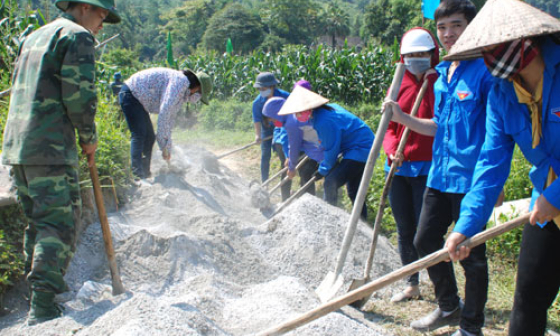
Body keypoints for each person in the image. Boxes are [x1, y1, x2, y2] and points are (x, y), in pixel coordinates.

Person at [441, 1, 560, 335]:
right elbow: (490, 163)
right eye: (487, 49)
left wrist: (556, 195)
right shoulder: (502, 93)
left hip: (551, 199)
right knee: (528, 300)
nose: (492, 56)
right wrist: (467, 226)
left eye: (498, 46)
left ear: (526, 40)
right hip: (547, 208)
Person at [1, 0, 120, 325]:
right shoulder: (76, 36)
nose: (101, 23)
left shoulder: (36, 35)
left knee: (39, 223)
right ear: (84, 7)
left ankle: (41, 296)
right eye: (101, 15)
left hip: (18, 146)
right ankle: (42, 307)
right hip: (49, 147)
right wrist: (88, 136)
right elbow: (79, 95)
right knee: (59, 223)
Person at [384, 1, 492, 335]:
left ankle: (471, 326)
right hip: (440, 174)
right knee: (425, 240)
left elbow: (495, 134)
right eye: (442, 28)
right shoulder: (446, 73)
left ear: (471, 26)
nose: (448, 34)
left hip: (470, 177)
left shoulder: (486, 72)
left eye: (456, 26)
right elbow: (438, 127)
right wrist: (402, 119)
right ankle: (449, 306)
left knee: (471, 255)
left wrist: (493, 182)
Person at [383, 27, 438, 303]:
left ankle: (442, 287)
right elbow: (389, 126)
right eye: (411, 55)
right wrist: (392, 150)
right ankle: (411, 283)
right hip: (398, 167)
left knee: (424, 230)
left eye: (422, 54)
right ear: (403, 57)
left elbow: (438, 124)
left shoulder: (439, 82)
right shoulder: (398, 83)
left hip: (426, 167)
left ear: (432, 54)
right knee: (404, 228)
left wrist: (429, 81)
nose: (417, 58)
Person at [278, 86, 374, 219]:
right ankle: (362, 220)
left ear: (308, 108)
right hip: (359, 145)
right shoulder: (322, 113)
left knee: (330, 182)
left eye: (299, 112)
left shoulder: (324, 121)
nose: (297, 115)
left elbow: (331, 150)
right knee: (354, 190)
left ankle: (330, 219)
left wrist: (322, 171)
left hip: (360, 147)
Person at [118, 68, 212, 179]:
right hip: (131, 94)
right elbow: (163, 115)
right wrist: (164, 147)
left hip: (138, 100)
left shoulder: (181, 92)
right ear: (196, 86)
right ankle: (137, 175)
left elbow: (169, 121)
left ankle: (145, 173)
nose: (197, 97)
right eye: (199, 93)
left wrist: (167, 147)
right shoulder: (180, 83)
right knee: (139, 134)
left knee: (149, 137)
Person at [262, 92, 324, 196]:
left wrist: (291, 164)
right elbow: (288, 140)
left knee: (306, 172)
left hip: (317, 144)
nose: (273, 122)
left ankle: (308, 200)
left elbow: (292, 142)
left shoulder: (292, 118)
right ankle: (290, 198)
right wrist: (289, 158)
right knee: (303, 172)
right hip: (306, 145)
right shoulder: (287, 119)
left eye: (272, 119)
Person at [252, 72, 289, 184]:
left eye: (264, 88)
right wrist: (258, 135)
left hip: (285, 127)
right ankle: (265, 183)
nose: (262, 91)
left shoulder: (285, 96)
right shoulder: (257, 103)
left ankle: (285, 179)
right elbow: (257, 120)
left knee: (284, 153)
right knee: (265, 154)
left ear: (272, 86)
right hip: (267, 128)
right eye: (260, 89)